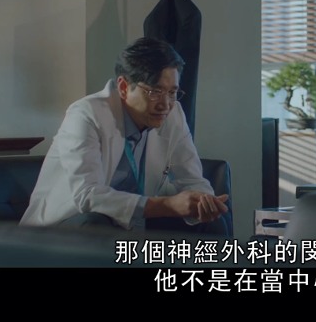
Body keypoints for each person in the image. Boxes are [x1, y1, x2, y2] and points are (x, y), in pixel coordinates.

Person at [20, 37, 228, 233]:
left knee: (210, 224)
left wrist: (205, 202)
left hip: (134, 217)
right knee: (96, 224)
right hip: (69, 221)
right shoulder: (86, 114)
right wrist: (167, 205)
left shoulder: (174, 115)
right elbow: (87, 195)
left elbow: (192, 179)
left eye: (172, 92)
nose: (165, 104)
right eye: (155, 92)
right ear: (123, 87)